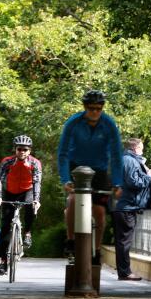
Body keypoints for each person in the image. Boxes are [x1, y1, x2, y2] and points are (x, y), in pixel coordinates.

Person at [57, 90, 124, 265]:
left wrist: (117, 183)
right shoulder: (73, 123)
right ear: (85, 107)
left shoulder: (109, 124)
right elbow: (63, 154)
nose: (95, 112)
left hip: (99, 171)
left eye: (98, 108)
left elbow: (117, 155)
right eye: (91, 108)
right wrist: (66, 180)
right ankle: (71, 241)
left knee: (100, 212)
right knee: (73, 200)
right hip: (76, 169)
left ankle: (96, 251)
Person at [0, 135, 42, 275]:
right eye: (19, 149)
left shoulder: (35, 163)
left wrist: (36, 200)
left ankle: (27, 232)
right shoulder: (7, 162)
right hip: (10, 192)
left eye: (25, 149)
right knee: (5, 227)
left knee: (31, 206)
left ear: (29, 150)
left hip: (28, 190)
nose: (22, 152)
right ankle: (3, 262)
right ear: (15, 149)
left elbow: (37, 182)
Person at [112, 138, 151, 280]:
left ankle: (124, 272)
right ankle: (125, 273)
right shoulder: (129, 161)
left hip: (125, 207)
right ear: (135, 148)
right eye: (141, 149)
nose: (142, 151)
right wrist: (148, 177)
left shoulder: (126, 160)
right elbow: (133, 182)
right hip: (127, 207)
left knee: (122, 242)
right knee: (124, 243)